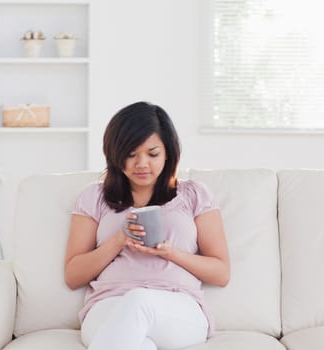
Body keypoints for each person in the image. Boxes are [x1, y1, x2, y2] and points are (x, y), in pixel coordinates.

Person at [64, 101, 230, 350]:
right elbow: (73, 276)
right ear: (115, 154)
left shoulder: (195, 195)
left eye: (152, 154)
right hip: (108, 304)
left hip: (178, 307)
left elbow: (221, 273)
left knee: (139, 301)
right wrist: (118, 240)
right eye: (131, 154)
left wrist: (170, 253)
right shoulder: (93, 197)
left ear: (168, 153)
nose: (142, 163)